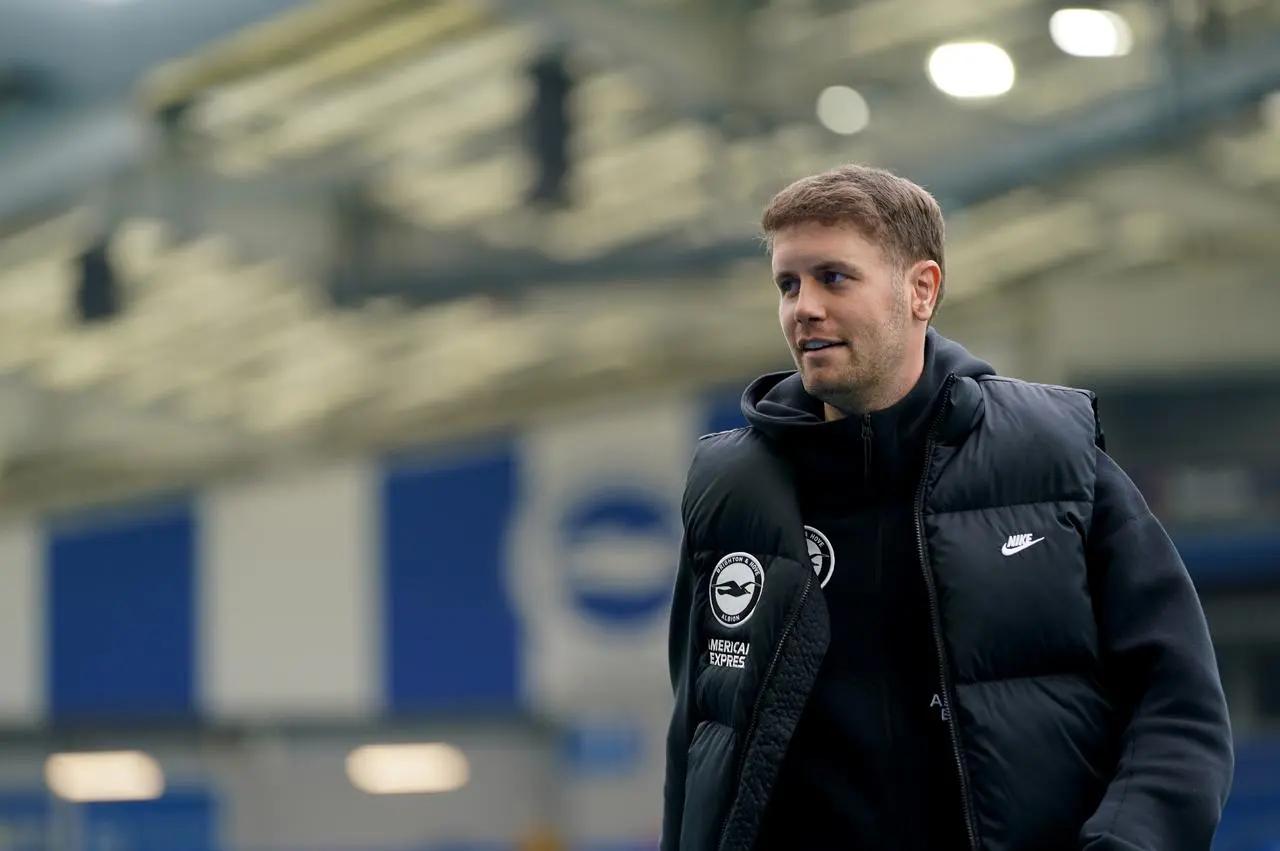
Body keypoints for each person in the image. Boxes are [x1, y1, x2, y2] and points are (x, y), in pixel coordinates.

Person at [660, 164, 1234, 851]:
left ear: (921, 290)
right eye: (789, 283)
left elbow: (1179, 704)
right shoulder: (732, 491)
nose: (803, 306)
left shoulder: (1051, 456)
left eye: (834, 277)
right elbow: (698, 740)